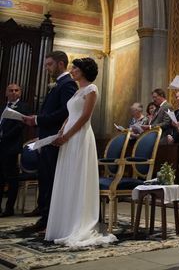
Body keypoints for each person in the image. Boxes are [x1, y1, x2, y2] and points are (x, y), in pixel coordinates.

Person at [45, 57, 116, 247]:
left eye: (75, 68)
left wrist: (67, 136)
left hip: (80, 138)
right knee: (67, 177)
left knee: (78, 177)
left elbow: (85, 117)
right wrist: (61, 131)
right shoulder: (76, 92)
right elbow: (70, 115)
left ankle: (79, 223)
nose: (72, 70)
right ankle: (65, 224)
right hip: (68, 136)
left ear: (84, 70)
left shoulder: (91, 89)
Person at [22, 51, 77, 231]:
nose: (47, 68)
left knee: (51, 178)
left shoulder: (67, 84)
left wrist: (38, 120)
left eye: (49, 65)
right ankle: (45, 214)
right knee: (45, 177)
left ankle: (48, 218)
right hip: (47, 137)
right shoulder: (59, 84)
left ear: (61, 64)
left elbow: (65, 112)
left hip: (55, 138)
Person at [0, 83, 31, 217]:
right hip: (1, 146)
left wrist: (2, 137)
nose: (13, 92)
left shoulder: (23, 107)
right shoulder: (2, 106)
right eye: (10, 90)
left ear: (20, 92)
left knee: (12, 179)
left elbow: (19, 126)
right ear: (6, 93)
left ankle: (9, 208)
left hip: (11, 146)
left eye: (16, 90)